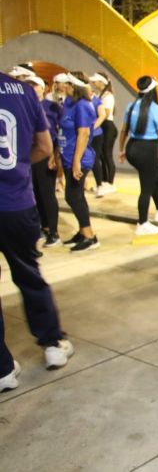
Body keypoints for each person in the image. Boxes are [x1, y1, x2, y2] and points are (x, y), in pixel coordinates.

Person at [0, 71, 74, 393]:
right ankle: (53, 344)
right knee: (29, 275)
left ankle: (3, 369)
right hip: (17, 204)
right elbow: (44, 147)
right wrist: (15, 166)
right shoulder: (24, 91)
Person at [117, 77, 158, 235]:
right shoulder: (156, 110)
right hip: (147, 151)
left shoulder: (131, 106)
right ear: (153, 91)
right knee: (146, 187)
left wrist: (122, 150)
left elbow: (123, 130)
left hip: (132, 147)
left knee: (155, 177)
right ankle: (142, 223)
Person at [60, 72, 101, 252]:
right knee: (77, 196)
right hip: (68, 157)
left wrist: (76, 161)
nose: (63, 86)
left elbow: (83, 134)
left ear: (73, 86)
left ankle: (90, 236)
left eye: (66, 84)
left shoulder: (83, 105)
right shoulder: (70, 103)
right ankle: (84, 232)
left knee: (72, 196)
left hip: (79, 158)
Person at [25, 76, 63, 247]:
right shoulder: (25, 106)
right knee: (36, 194)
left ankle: (54, 233)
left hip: (47, 156)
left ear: (42, 87)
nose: (32, 88)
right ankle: (44, 226)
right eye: (29, 86)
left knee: (47, 194)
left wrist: (55, 156)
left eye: (35, 85)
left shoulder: (52, 107)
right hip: (30, 155)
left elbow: (60, 134)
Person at [89, 72, 118, 196]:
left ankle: (110, 183)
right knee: (101, 155)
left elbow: (105, 114)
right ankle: (104, 182)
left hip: (108, 126)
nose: (93, 83)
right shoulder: (101, 95)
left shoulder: (108, 96)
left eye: (95, 81)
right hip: (104, 126)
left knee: (107, 155)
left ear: (102, 82)